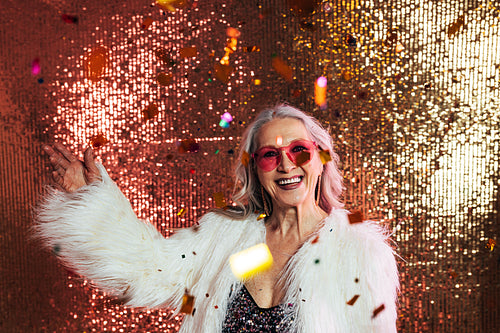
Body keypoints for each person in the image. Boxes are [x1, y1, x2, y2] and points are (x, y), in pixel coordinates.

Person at [35, 104, 399, 332]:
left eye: (298, 150)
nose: (287, 163)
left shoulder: (359, 252)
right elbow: (150, 270)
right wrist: (94, 199)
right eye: (270, 154)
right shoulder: (230, 238)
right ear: (256, 169)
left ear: (320, 158)